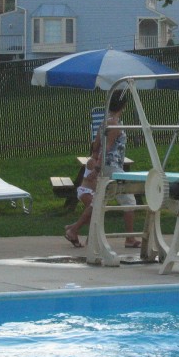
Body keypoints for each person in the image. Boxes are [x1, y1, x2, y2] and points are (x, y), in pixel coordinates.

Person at [65, 92, 141, 248]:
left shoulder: (104, 123)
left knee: (98, 203)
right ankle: (130, 238)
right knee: (129, 201)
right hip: (112, 167)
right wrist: (98, 167)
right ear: (124, 106)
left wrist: (95, 159)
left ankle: (74, 229)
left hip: (108, 165)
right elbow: (107, 147)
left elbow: (96, 146)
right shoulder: (114, 124)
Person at [64, 141, 101, 248]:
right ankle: (74, 230)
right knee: (93, 210)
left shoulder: (98, 161)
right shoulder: (92, 161)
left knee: (92, 215)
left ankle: (72, 228)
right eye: (96, 151)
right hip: (86, 191)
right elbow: (94, 178)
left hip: (91, 192)